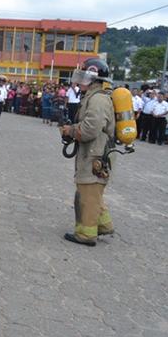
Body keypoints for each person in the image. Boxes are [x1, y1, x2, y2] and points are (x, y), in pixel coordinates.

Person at [61, 58, 115, 247]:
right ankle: (104, 225)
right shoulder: (93, 97)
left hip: (95, 154)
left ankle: (86, 234)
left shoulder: (98, 99)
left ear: (93, 80)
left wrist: (71, 131)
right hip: (93, 152)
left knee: (88, 194)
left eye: (84, 77)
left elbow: (91, 129)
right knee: (91, 191)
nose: (80, 81)